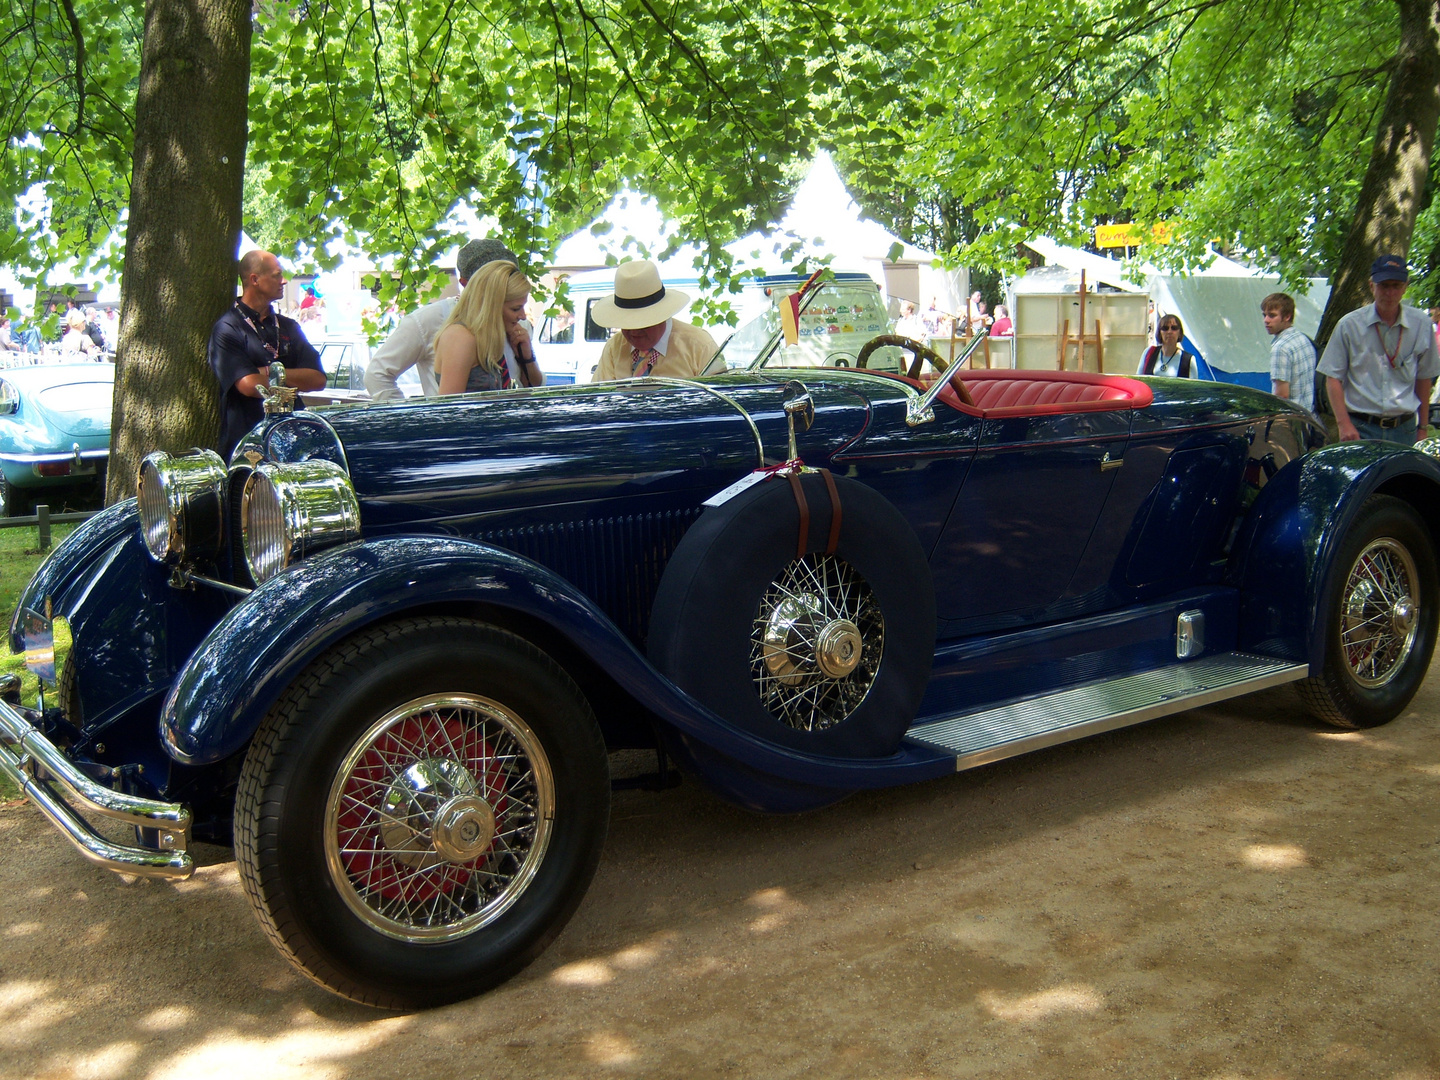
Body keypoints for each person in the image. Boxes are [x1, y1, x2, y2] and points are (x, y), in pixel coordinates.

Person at [208, 249, 327, 459]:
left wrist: (269, 372)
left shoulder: (288, 326)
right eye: (277, 275)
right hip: (247, 448)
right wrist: (290, 380)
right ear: (255, 279)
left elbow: (317, 379)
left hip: (292, 445)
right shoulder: (228, 327)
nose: (283, 281)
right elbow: (248, 385)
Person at [364, 238, 517, 400]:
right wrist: (411, 419)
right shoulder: (428, 320)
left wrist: (527, 357)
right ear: (466, 283)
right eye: (493, 284)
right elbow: (377, 375)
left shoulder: (518, 321)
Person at [1320, 254, 1438, 444]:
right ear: (1371, 285)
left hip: (1404, 430)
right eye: (1384, 285)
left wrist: (1423, 428)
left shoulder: (1421, 324)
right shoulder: (1349, 325)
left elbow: (1424, 378)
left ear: (1405, 286)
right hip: (1360, 428)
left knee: (1403, 475)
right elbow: (1333, 377)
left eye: (1396, 286)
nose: (1389, 293)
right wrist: (1344, 424)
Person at [592, 260, 719, 381]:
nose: (635, 332)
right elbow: (599, 400)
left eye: (643, 324)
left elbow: (721, 400)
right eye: (627, 324)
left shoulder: (700, 346)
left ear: (662, 315)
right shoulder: (614, 348)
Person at [433, 260, 545, 393]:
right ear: (491, 306)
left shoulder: (488, 335)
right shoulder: (460, 337)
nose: (523, 316)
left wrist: (526, 357)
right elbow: (450, 409)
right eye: (516, 309)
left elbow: (533, 388)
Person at [1261, 292, 1315, 412]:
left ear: (1287, 317)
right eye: (1264, 315)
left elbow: (1282, 396)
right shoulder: (1303, 338)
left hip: (1290, 420)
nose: (1266, 320)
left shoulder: (1281, 348)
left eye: (1272, 315)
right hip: (1308, 415)